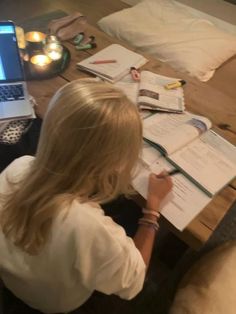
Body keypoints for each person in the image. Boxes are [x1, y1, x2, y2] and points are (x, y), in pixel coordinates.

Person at [0, 79, 172, 314]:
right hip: (54, 304)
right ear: (116, 162)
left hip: (15, 283)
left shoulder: (18, 167)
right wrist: (152, 209)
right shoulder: (88, 227)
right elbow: (134, 279)